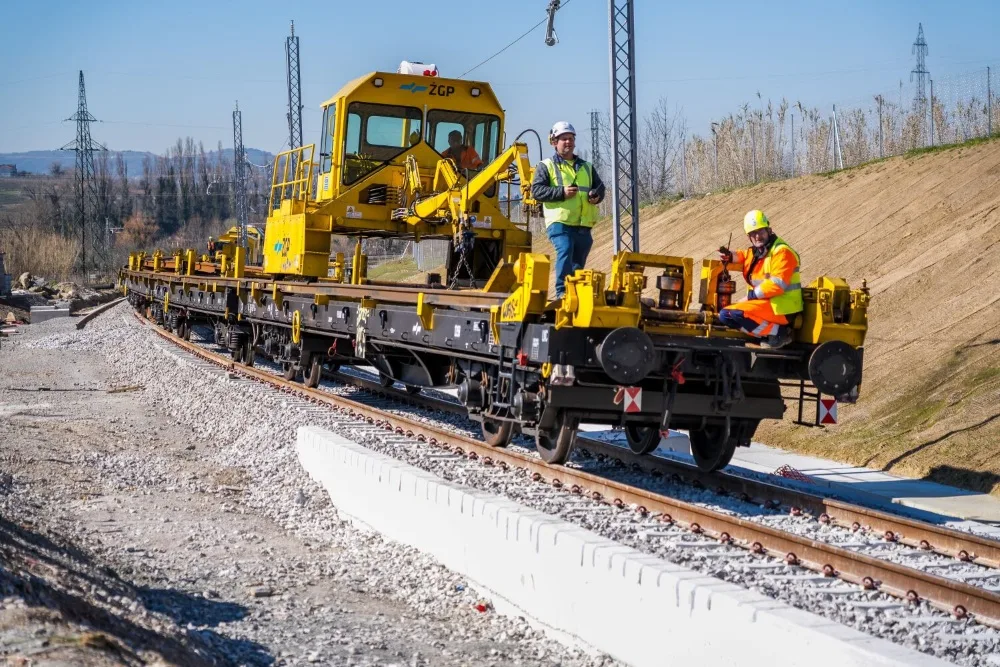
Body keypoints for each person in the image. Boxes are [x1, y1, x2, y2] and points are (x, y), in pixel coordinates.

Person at [530, 121, 606, 299]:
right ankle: (561, 292)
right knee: (565, 248)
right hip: (559, 222)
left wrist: (597, 196)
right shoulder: (546, 165)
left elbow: (600, 187)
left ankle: (574, 293)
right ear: (554, 142)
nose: (568, 142)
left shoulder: (587, 167)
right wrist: (561, 193)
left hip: (583, 222)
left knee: (578, 261)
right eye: (563, 138)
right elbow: (537, 191)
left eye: (571, 138)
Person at [718, 210, 803, 349]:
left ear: (769, 230)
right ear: (749, 237)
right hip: (768, 305)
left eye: (760, 231)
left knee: (731, 314)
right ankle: (769, 333)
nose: (757, 236)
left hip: (782, 309)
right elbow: (745, 256)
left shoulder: (782, 252)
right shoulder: (759, 251)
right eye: (753, 233)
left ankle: (779, 333)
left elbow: (777, 285)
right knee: (725, 315)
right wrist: (730, 255)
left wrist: (749, 297)